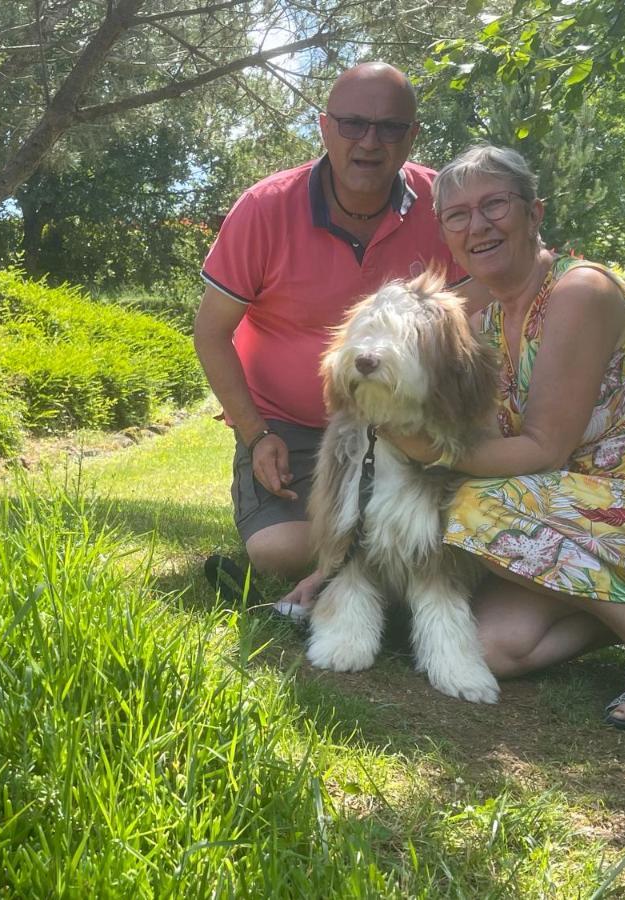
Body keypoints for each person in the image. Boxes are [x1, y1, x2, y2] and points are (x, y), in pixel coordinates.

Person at [364, 143, 625, 728]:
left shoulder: (580, 292)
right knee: (491, 648)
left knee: (471, 505)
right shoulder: (475, 312)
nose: (478, 225)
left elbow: (544, 449)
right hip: (570, 516)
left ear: (535, 212)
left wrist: (428, 450)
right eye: (458, 215)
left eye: (496, 205)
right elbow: (380, 341)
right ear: (444, 231)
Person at [193, 62, 468, 614]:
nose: (370, 141)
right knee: (277, 550)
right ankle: (366, 572)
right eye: (352, 124)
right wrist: (255, 433)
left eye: (390, 127)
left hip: (409, 417)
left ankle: (357, 576)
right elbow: (210, 332)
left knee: (469, 529)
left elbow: (478, 320)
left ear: (411, 136)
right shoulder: (265, 207)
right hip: (291, 428)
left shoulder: (446, 204)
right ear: (323, 128)